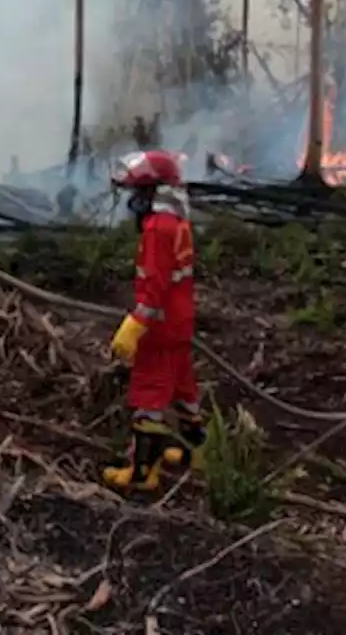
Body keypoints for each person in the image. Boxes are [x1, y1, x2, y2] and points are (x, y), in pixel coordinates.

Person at [102, 149, 204, 492]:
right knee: (183, 389)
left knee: (148, 395)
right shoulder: (176, 223)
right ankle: (195, 452)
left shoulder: (158, 229)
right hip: (180, 321)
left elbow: (155, 287)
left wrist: (134, 326)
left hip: (160, 328)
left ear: (155, 192)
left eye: (138, 193)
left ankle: (143, 473)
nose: (135, 201)